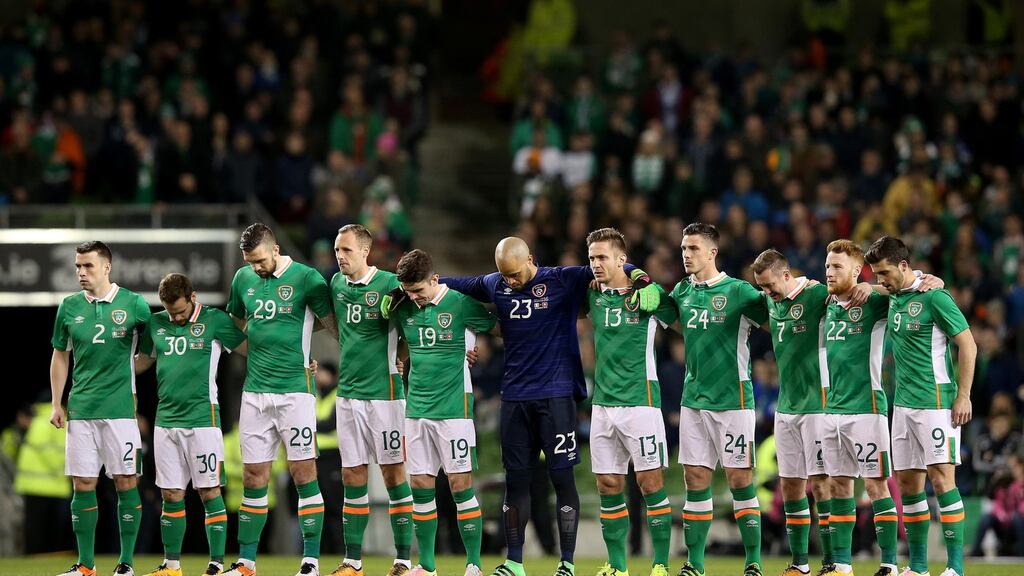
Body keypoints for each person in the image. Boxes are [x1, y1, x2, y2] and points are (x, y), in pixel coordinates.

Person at [403, 236, 658, 576]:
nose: (510, 281)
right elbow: (443, 284)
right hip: (515, 398)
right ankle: (514, 561)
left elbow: (607, 265)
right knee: (516, 481)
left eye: (514, 274)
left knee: (561, 478)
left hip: (556, 396)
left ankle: (567, 562)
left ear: (530, 259)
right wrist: (398, 288)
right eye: (504, 275)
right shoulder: (495, 284)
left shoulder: (561, 280)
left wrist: (640, 276)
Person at [222, 223, 338, 576]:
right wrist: (257, 352)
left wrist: (300, 348)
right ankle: (245, 563)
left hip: (295, 395)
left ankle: (311, 560)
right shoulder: (242, 279)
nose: (255, 267)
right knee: (254, 476)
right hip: (255, 394)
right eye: (249, 261)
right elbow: (234, 326)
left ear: (274, 250)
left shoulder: (307, 278)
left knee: (304, 474)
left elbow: (330, 324)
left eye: (259, 260)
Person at [865, 236, 977, 576]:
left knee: (943, 482)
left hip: (936, 404)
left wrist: (964, 395)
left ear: (902, 265)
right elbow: (873, 290)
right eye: (875, 274)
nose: (879, 280)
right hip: (902, 407)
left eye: (884, 272)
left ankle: (955, 568)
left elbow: (968, 346)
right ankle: (917, 567)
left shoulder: (935, 297)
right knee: (910, 486)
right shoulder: (894, 295)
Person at [388, 249, 499, 576]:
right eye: (409, 292)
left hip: (454, 411)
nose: (415, 298)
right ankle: (427, 566)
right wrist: (401, 358)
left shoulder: (462, 304)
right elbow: (402, 339)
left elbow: (499, 329)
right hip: (416, 409)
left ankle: (474, 565)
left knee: (460, 486)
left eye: (419, 291)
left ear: (435, 280)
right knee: (420, 487)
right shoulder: (404, 305)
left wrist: (478, 350)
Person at [133, 273, 247, 576]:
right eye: (171, 312)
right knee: (170, 494)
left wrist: (297, 361)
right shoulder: (156, 323)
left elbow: (250, 349)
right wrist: (112, 369)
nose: (177, 317)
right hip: (165, 422)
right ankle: (172, 565)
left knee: (209, 491)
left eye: (181, 311)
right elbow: (143, 360)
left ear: (193, 297)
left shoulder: (215, 320)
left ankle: (216, 563)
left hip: (202, 420)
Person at [669, 223, 766, 576]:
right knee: (695, 479)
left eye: (693, 248)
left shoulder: (740, 292)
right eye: (683, 248)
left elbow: (777, 317)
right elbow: (667, 317)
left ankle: (753, 560)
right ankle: (694, 564)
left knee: (740, 479)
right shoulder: (681, 292)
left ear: (712, 252)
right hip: (693, 400)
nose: (686, 254)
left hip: (734, 401)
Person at [49, 241, 151, 576]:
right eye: (78, 266)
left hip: (121, 412)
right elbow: (60, 355)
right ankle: (86, 565)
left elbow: (151, 351)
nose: (81, 272)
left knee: (125, 482)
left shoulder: (134, 304)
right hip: (81, 410)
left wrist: (129, 372)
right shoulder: (68, 307)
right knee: (83, 484)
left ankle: (126, 563)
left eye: (88, 266)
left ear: (107, 267)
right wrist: (56, 402)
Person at [582, 228, 677, 576]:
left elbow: (679, 322)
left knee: (650, 483)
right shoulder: (591, 295)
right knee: (608, 484)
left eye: (602, 257)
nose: (595, 264)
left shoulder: (649, 295)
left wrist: (643, 279)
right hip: (603, 404)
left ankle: (661, 565)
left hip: (641, 401)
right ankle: (617, 567)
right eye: (591, 258)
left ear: (621, 259)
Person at [327, 224, 414, 576]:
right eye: (337, 251)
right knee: (352, 475)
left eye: (346, 250)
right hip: (348, 395)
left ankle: (404, 559)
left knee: (393, 475)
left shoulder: (392, 285)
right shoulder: (335, 285)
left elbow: (414, 325)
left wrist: (403, 357)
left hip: (386, 396)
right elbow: (331, 323)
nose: (340, 257)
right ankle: (353, 561)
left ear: (365, 251)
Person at [751, 249, 838, 576]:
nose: (766, 292)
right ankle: (800, 563)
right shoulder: (770, 302)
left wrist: (925, 280)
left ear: (786, 274)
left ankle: (830, 562)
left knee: (821, 483)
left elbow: (857, 289)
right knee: (790, 485)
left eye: (770, 284)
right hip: (786, 409)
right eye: (761, 287)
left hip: (818, 405)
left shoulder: (816, 293)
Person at [821, 241, 900, 576]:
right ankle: (842, 563)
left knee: (875, 485)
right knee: (839, 485)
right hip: (832, 410)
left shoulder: (873, 300)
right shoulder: (823, 304)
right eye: (827, 265)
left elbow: (907, 286)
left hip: (867, 408)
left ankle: (889, 564)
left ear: (856, 271)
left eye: (837, 267)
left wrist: (927, 277)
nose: (829, 272)